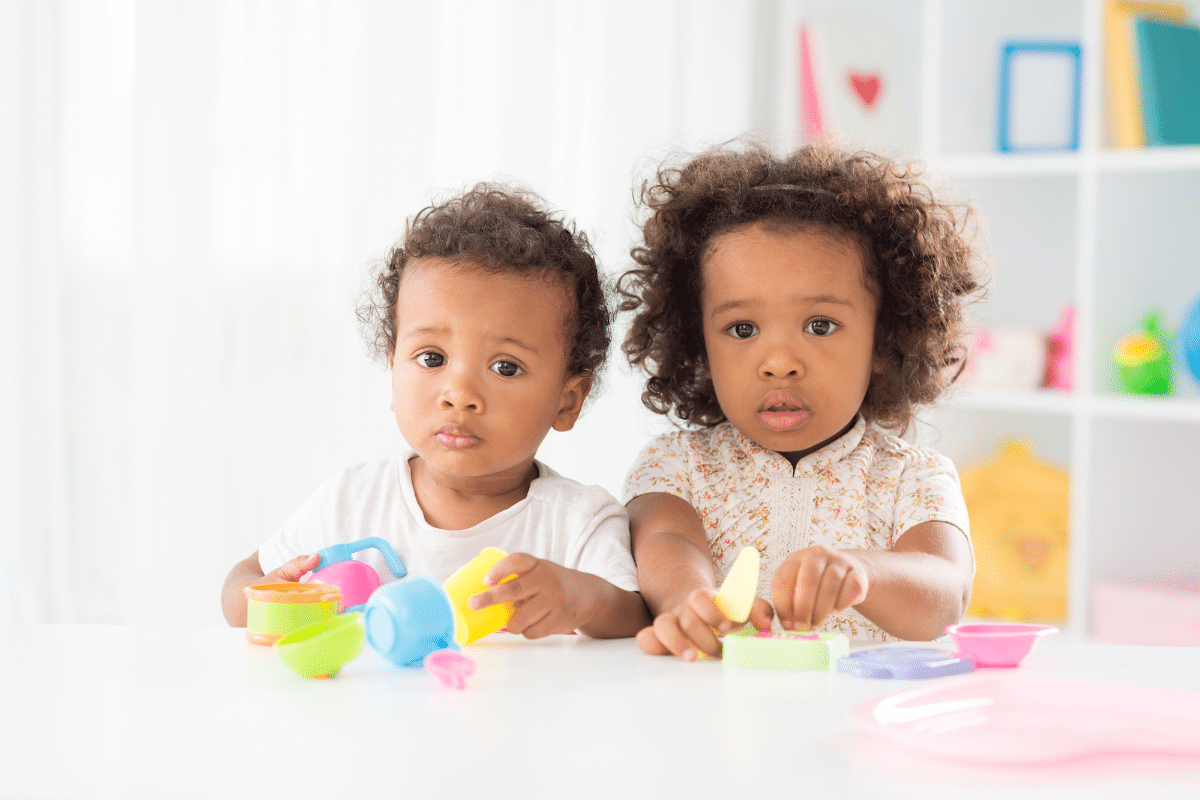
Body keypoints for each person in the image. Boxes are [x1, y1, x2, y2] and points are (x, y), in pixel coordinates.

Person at [222, 184, 649, 640]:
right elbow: (239, 588)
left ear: (568, 400)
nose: (459, 394)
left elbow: (633, 615)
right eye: (431, 358)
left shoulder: (577, 522)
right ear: (392, 370)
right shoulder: (353, 500)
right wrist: (274, 599)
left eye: (505, 367)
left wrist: (578, 597)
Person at [617, 141, 985, 660]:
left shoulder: (912, 478)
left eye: (820, 325)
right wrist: (691, 604)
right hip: (713, 722)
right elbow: (664, 543)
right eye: (742, 328)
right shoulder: (677, 467)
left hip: (855, 723)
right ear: (699, 343)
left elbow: (946, 589)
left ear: (883, 341)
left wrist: (863, 573)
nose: (779, 361)